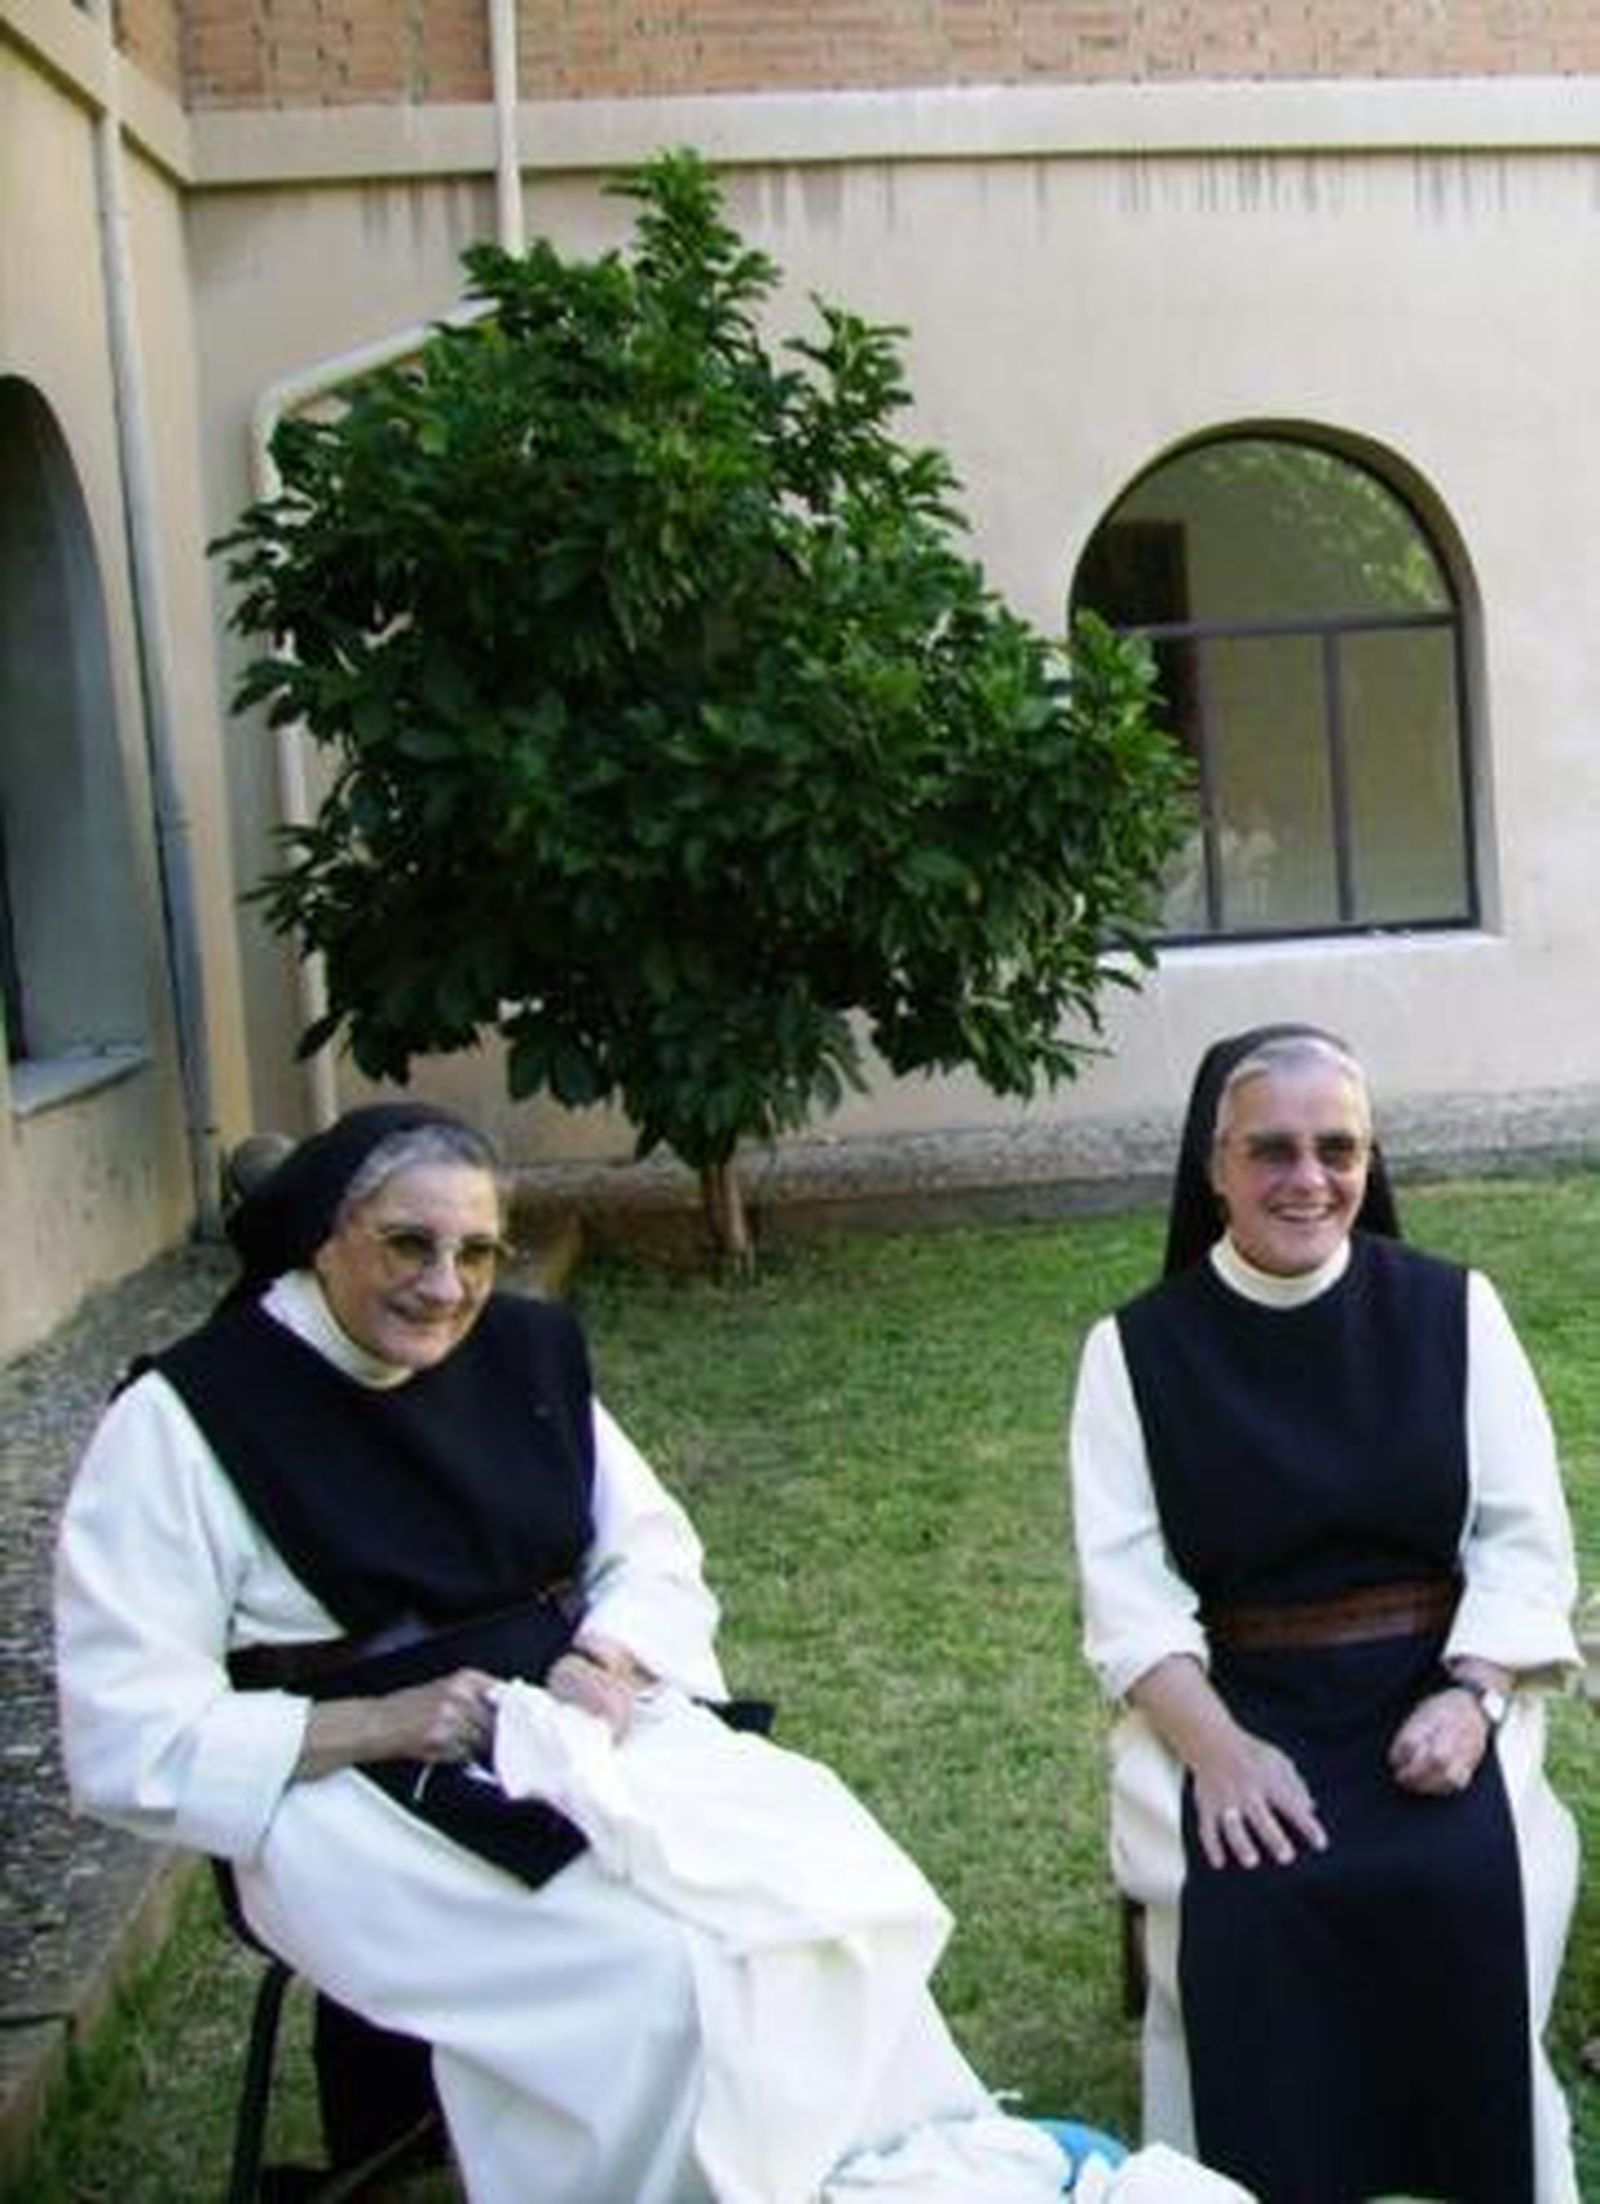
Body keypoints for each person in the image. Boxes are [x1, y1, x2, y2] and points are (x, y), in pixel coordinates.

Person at [56, 1102, 1078, 2204]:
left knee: (824, 1893)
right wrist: (376, 1721)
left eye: (477, 1251)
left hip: (568, 1721)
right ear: (325, 1236)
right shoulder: (186, 1417)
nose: (444, 1285)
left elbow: (646, 1546)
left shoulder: (521, 1348)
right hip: (334, 1793)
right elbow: (126, 1724)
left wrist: (614, 1654)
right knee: (653, 1977)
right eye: (408, 1242)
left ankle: (857, 2179)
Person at [1069, 1026, 1582, 2204]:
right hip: (1233, 1696)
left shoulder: (1455, 1309)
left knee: (1461, 1883)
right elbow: (1128, 1584)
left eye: (1337, 1146)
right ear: (1216, 1167)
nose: (1308, 1177)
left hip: (1435, 1681)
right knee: (1259, 1894)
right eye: (1273, 1150)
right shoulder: (1134, 1350)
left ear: (1369, 1156)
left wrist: (1476, 1694)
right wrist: (1217, 1749)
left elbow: (1519, 1532)